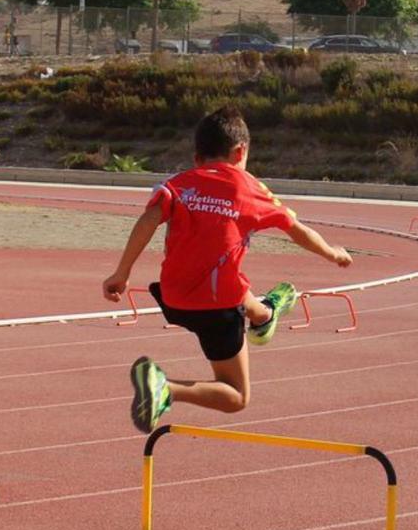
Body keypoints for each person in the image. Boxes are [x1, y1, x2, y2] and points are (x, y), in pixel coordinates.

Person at [103, 105, 352, 433]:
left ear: (197, 157)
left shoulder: (179, 183)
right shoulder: (248, 186)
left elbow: (148, 220)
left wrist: (121, 272)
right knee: (236, 396)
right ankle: (165, 387)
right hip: (217, 306)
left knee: (231, 274)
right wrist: (332, 253)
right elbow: (296, 230)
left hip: (174, 297)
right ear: (241, 151)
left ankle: (263, 315)